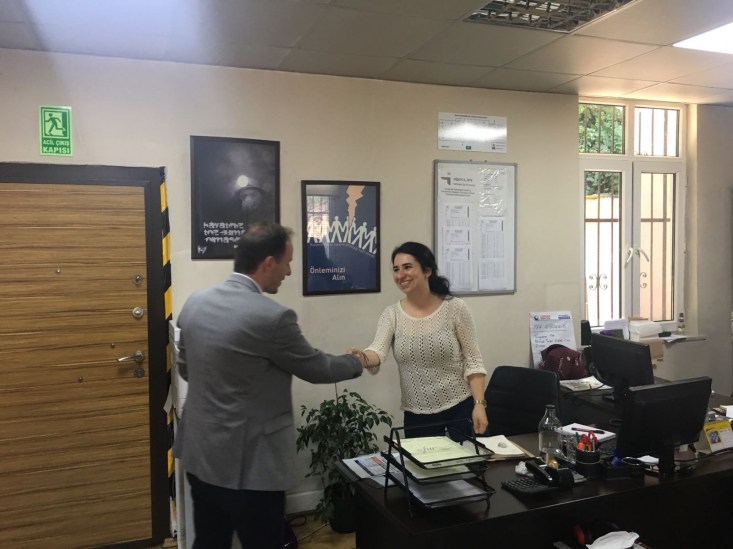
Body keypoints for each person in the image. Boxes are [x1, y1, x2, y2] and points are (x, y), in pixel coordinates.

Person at [174, 222, 366, 549]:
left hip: (201, 456)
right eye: (287, 262)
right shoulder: (272, 317)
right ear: (268, 263)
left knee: (208, 540)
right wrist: (358, 362)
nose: (289, 272)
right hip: (251, 468)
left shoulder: (195, 302)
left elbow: (187, 370)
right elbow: (317, 368)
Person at [349, 241, 488, 439]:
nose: (400, 275)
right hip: (417, 414)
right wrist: (361, 357)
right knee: (420, 461)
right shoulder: (391, 315)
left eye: (407, 267)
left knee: (473, 458)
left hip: (460, 408)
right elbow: (377, 351)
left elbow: (474, 361)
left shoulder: (455, 308)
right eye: (396, 269)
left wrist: (479, 404)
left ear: (427, 271)